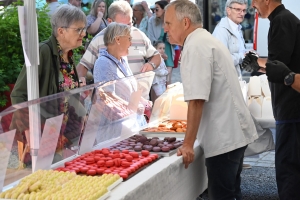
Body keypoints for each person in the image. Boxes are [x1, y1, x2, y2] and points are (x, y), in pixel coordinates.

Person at [164, 0, 258, 199]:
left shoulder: (197, 45)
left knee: (222, 194)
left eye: (169, 23)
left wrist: (188, 143)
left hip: (224, 136)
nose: (165, 29)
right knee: (232, 191)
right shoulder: (203, 39)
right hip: (230, 133)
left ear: (186, 22)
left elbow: (197, 99)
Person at [10, 5, 87, 163]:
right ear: (61, 31)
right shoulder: (43, 51)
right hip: (36, 140)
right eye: (78, 30)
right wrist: (29, 130)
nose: (84, 34)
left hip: (57, 137)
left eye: (84, 29)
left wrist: (83, 113)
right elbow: (18, 94)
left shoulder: (68, 55)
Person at [242, 1, 300, 198]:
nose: (253, 6)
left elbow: (280, 68)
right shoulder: (282, 19)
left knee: (288, 170)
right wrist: (258, 67)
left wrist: (258, 63)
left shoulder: (282, 21)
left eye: (254, 1)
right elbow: (281, 65)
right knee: (288, 167)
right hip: (289, 108)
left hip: (291, 109)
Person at [76, 1, 161, 80]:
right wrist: (81, 84)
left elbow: (156, 56)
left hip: (140, 95)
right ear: (110, 22)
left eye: (129, 24)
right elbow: (83, 66)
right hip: (110, 95)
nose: (126, 30)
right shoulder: (99, 39)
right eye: (121, 26)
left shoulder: (140, 35)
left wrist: (151, 65)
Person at [212, 0, 247, 80]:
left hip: (234, 81)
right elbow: (221, 60)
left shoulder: (237, 28)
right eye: (238, 10)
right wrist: (242, 56)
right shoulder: (222, 30)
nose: (242, 14)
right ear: (228, 10)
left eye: (244, 10)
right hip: (225, 84)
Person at [148, 0, 174, 85]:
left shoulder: (171, 22)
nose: (154, 11)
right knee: (155, 81)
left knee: (167, 80)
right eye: (154, 9)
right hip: (156, 51)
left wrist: (171, 39)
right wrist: (159, 54)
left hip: (168, 51)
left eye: (157, 9)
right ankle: (156, 99)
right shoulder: (152, 20)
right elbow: (151, 38)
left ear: (164, 10)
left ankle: (168, 98)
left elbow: (176, 39)